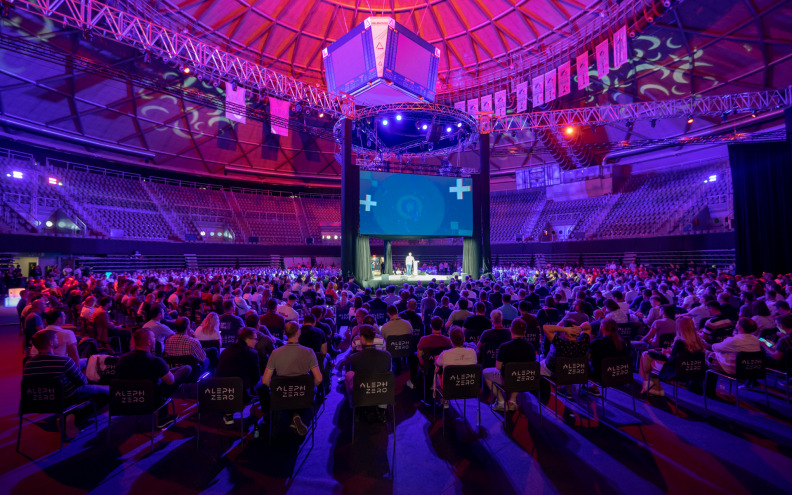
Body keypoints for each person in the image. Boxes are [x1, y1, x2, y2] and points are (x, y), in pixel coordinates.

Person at [23, 329, 108, 436]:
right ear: (51, 343)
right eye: (56, 338)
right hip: (65, 399)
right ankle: (74, 417)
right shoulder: (64, 361)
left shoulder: (28, 363)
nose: (58, 340)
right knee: (105, 394)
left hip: (39, 401)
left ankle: (69, 413)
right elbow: (83, 381)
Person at [116, 329, 191, 428]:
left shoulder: (122, 359)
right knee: (186, 369)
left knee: (162, 377)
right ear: (149, 342)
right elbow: (170, 381)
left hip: (125, 401)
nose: (155, 339)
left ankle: (168, 373)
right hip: (151, 401)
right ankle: (162, 419)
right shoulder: (155, 361)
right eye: (153, 337)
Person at [262, 322, 323, 436]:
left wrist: (276, 388)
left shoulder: (275, 353)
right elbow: (319, 379)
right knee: (300, 395)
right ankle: (296, 416)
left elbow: (265, 381)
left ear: (285, 333)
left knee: (289, 395)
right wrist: (309, 387)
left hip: (282, 395)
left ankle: (294, 416)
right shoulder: (309, 352)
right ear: (298, 332)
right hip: (302, 393)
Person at [638, 317, 706, 395]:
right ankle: (651, 386)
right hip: (694, 370)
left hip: (676, 371)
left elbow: (671, 360)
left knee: (646, 356)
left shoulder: (679, 342)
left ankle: (649, 386)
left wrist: (666, 353)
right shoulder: (699, 341)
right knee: (647, 354)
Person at [483, 319, 536, 411]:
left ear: (510, 329)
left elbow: (498, 367)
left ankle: (501, 402)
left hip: (509, 379)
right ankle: (512, 400)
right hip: (526, 379)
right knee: (518, 372)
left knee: (485, 372)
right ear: (524, 332)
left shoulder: (504, 346)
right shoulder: (530, 346)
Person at [215, 328, 265, 425]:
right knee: (266, 381)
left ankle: (229, 414)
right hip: (240, 394)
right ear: (248, 339)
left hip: (220, 392)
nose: (256, 341)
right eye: (255, 339)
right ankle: (265, 417)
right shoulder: (252, 353)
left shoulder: (226, 351)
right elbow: (256, 378)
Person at [344, 324, 392, 423]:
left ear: (361, 338)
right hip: (380, 390)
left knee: (349, 375)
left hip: (362, 391)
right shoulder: (387, 355)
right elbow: (387, 370)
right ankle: (381, 409)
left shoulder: (354, 358)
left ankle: (355, 407)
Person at [705, 318, 761, 396]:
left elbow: (715, 347)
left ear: (740, 327)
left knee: (706, 355)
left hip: (733, 369)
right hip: (750, 369)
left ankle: (707, 392)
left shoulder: (733, 340)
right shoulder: (756, 340)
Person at [588, 319, 631, 397]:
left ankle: (591, 388)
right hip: (621, 376)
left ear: (603, 328)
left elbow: (586, 357)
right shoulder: (622, 343)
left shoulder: (597, 343)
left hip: (601, 377)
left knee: (583, 363)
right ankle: (594, 387)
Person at [163, 317, 208, 381]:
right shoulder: (192, 341)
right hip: (191, 374)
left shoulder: (168, 340)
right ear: (187, 326)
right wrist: (194, 337)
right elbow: (202, 358)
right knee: (207, 360)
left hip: (175, 373)